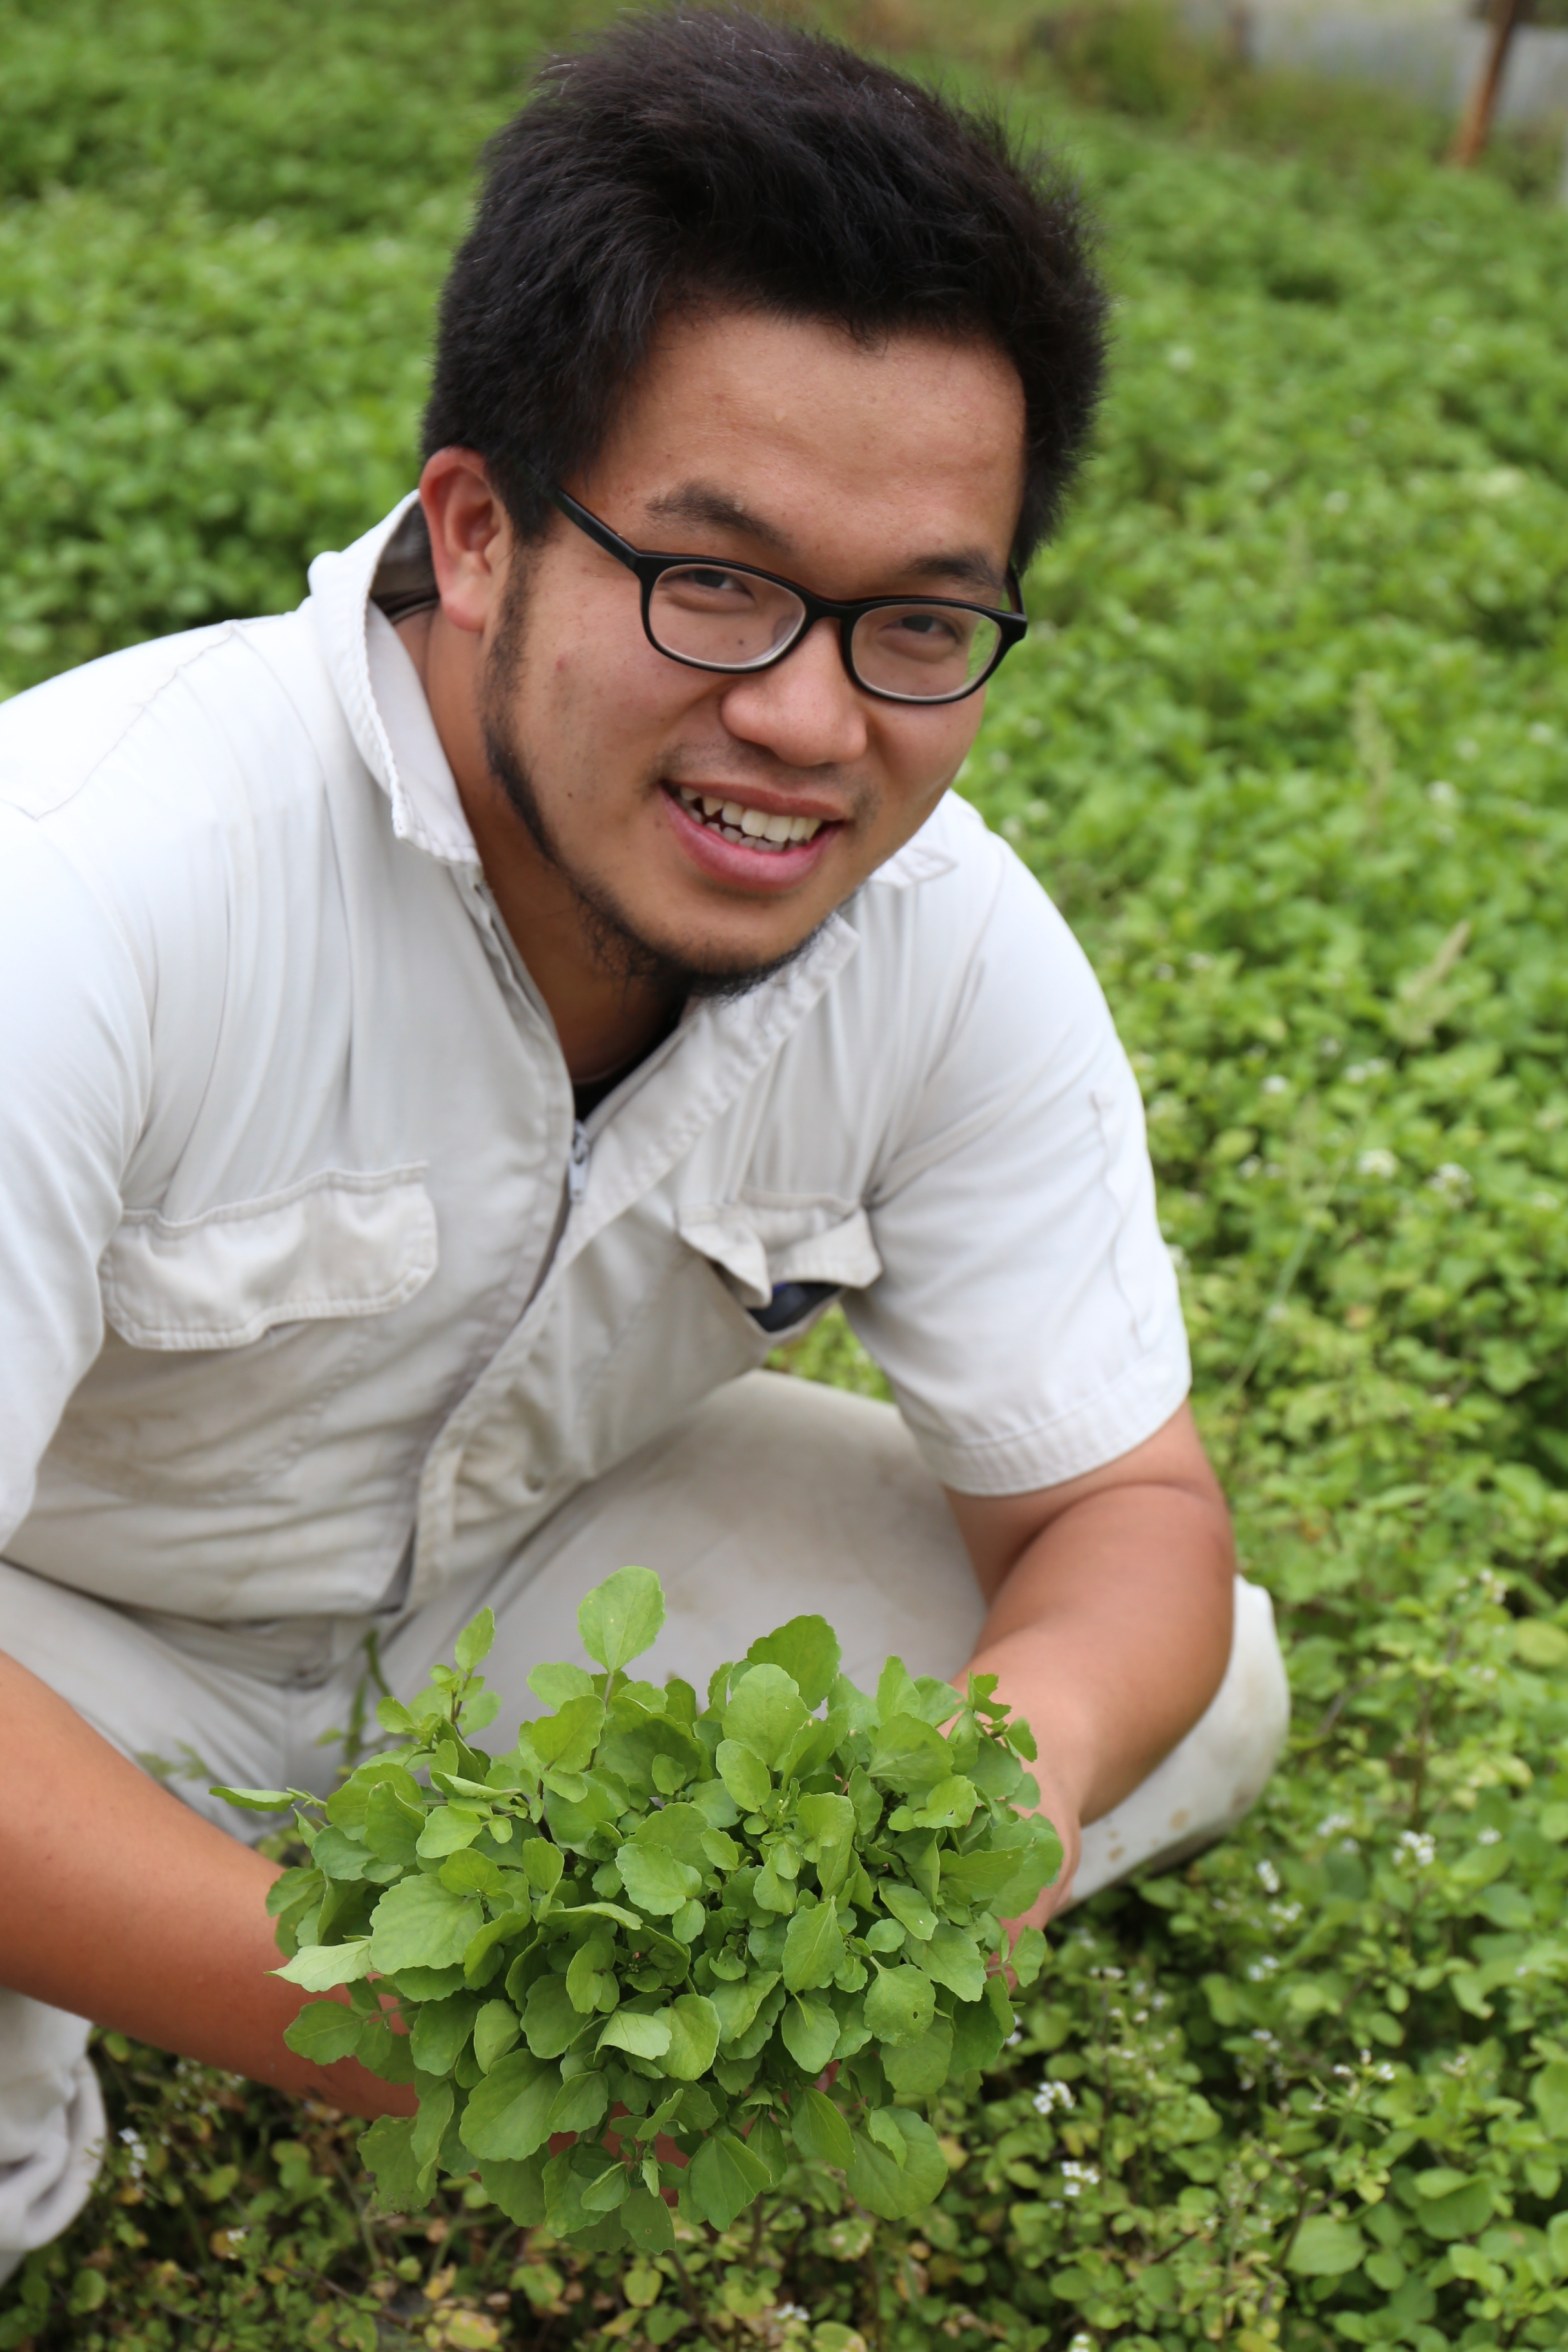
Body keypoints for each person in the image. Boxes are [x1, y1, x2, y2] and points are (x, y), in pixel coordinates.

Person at [0, 5, 1289, 2279]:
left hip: (509, 1602)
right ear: (478, 529)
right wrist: (396, 2022)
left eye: (919, 623)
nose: (807, 722)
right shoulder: (86, 883)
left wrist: (981, 1818)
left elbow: (1124, 1509)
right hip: (77, 1631)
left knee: (1194, 1685)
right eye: (715, 580)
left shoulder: (949, 944)